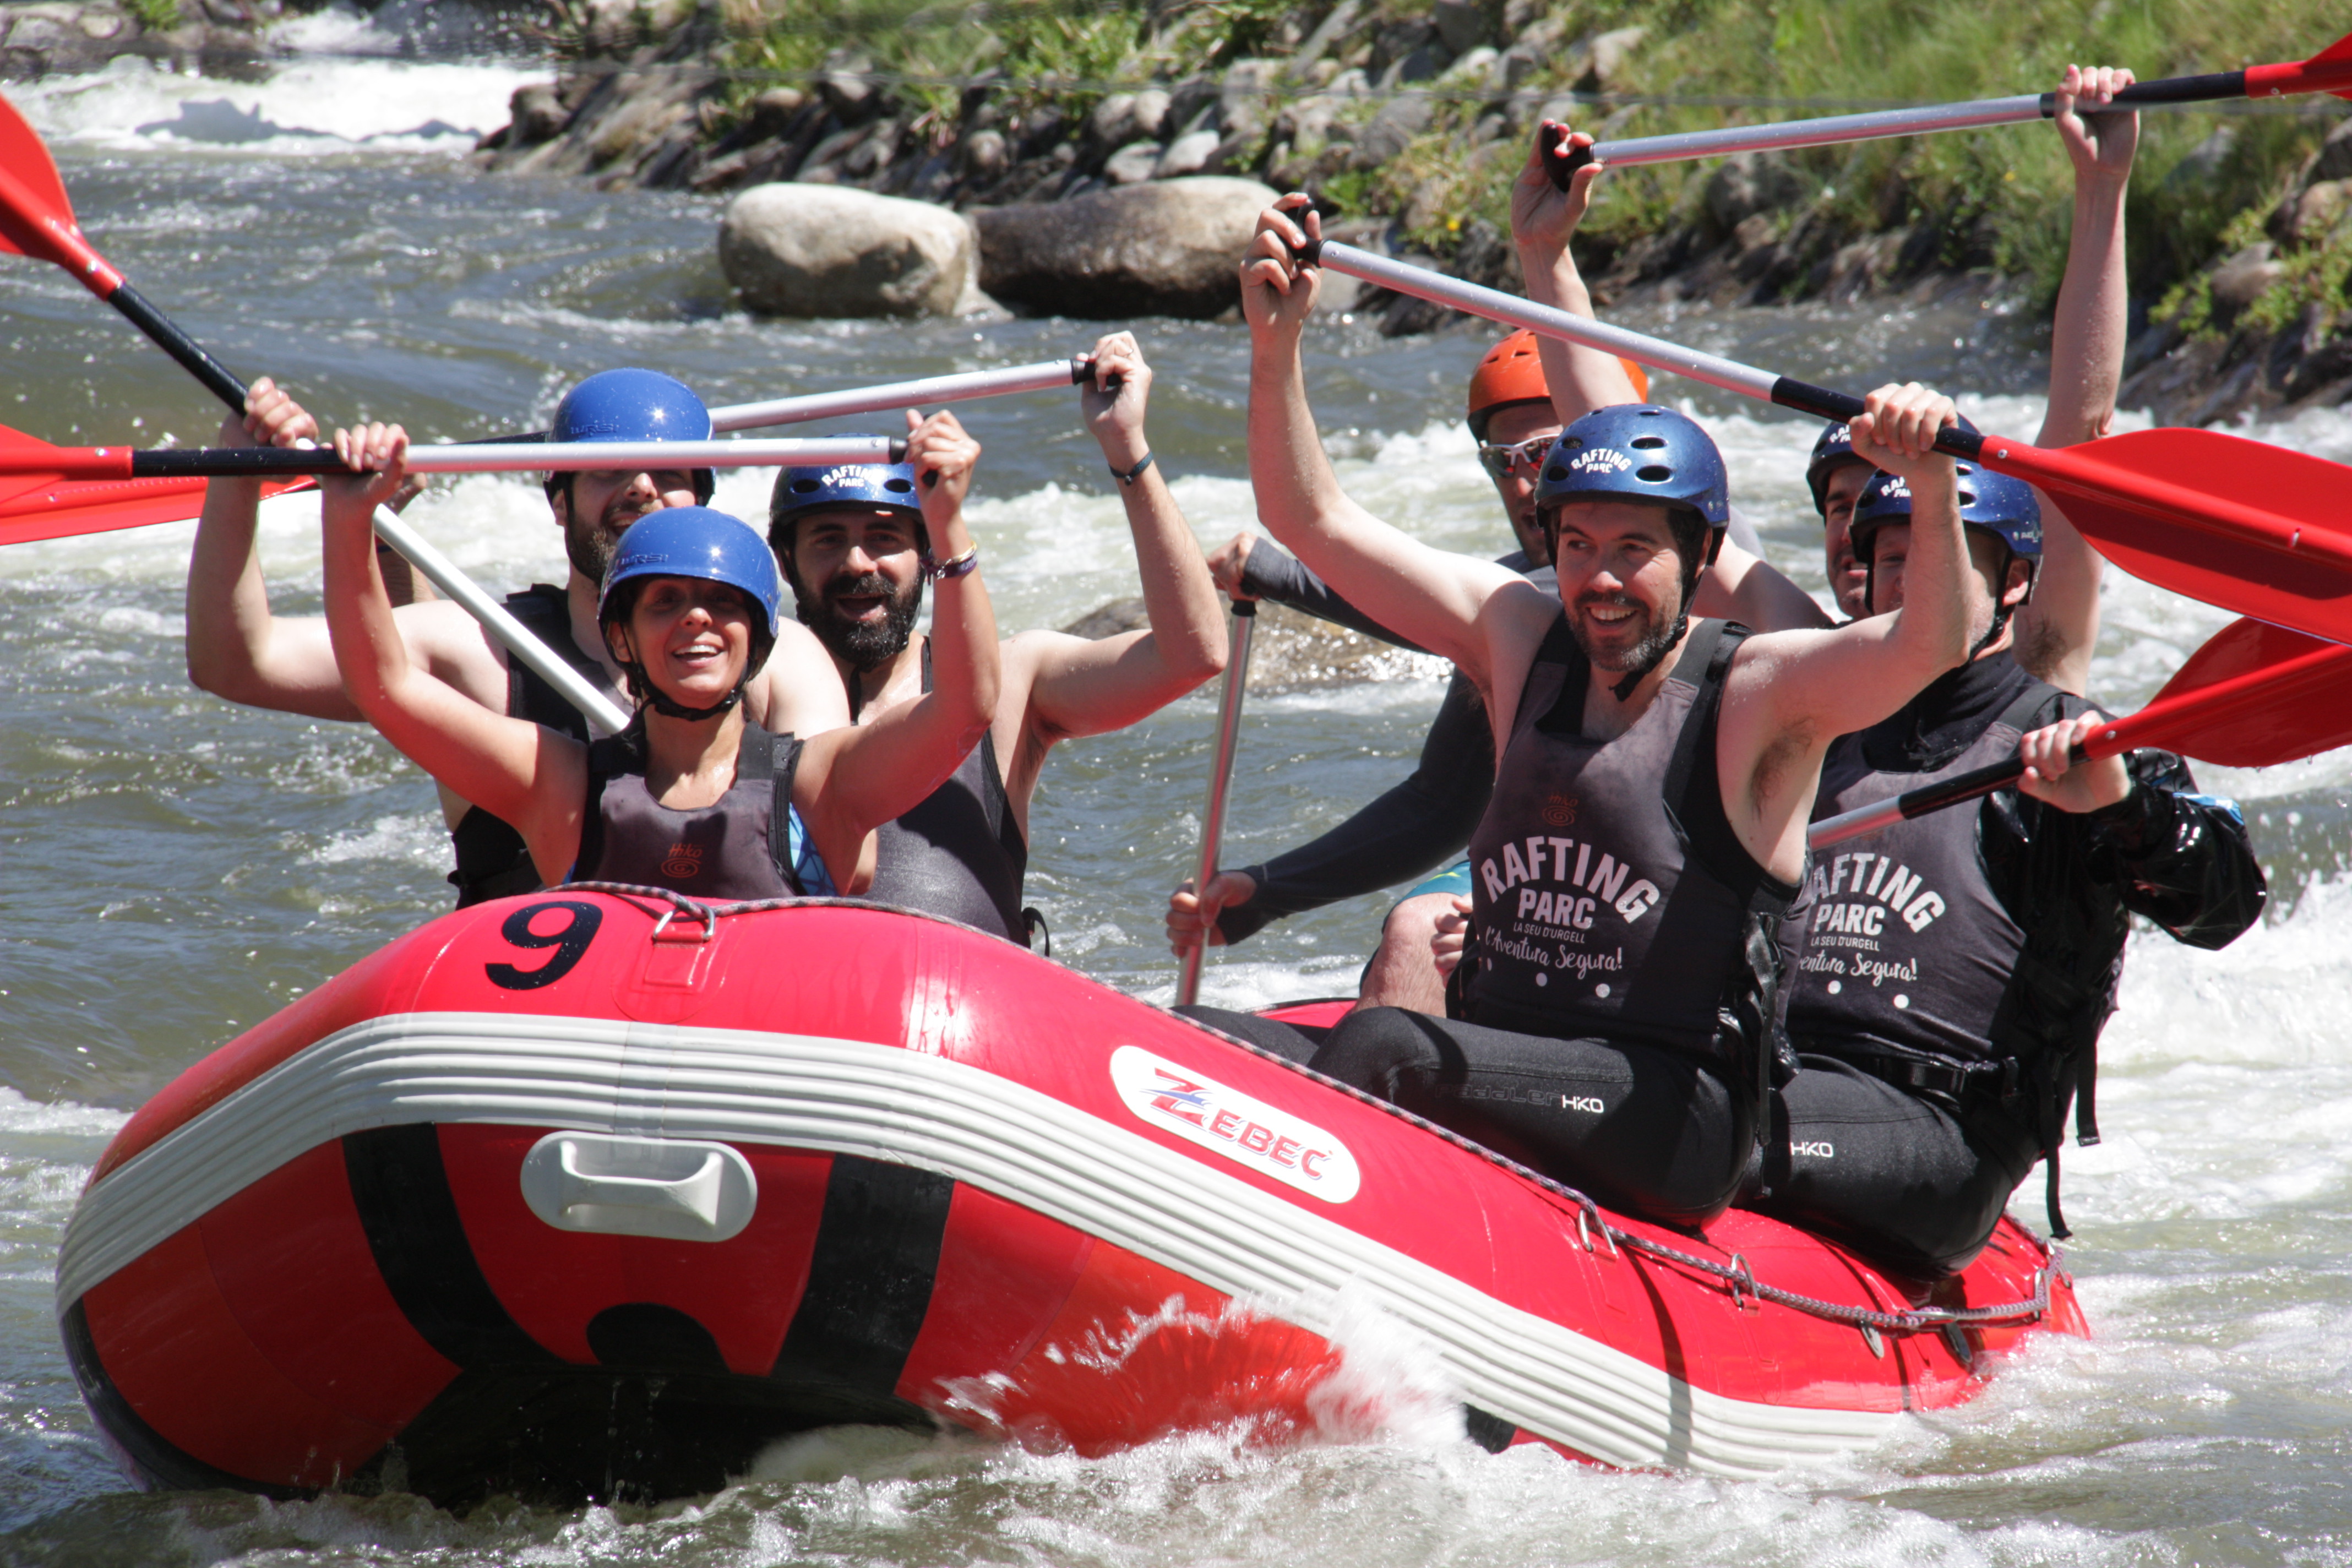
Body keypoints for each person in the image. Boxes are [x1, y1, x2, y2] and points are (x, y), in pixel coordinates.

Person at [1179, 190, 1979, 1229]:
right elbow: (1309, 518)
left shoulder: (1761, 687)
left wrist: (1929, 479)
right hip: (1511, 1052)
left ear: (1698, 560)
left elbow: (1934, 643)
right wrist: (1275, 343)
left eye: (1632, 550)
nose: (1598, 581)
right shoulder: (1516, 635)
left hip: (1668, 1106)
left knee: (1380, 1047)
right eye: (1575, 547)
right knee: (1195, 1032)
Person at [1167, 325, 1825, 1010]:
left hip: (1682, 889)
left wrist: (1289, 575)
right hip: (1541, 863)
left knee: (1428, 926)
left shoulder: (1714, 562)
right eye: (1500, 458)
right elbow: (1440, 803)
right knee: (1413, 933)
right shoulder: (1509, 602)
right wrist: (1270, 889)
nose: (1523, 479)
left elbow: (1520, 609)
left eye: (1545, 451)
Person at [1745, 461, 2267, 1278]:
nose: (1917, 584)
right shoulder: (1816, 723)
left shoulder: (2078, 744)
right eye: (1893, 561)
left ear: (2017, 581)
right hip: (1788, 1080)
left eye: (1942, 556)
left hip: (1944, 1130)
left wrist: (2121, 807)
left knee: (1692, 1130)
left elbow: (2224, 908)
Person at [184, 369, 851, 905]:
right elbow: (237, 662)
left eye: (672, 476)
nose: (643, 488)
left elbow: (836, 845)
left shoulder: (780, 656)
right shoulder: (477, 645)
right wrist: (239, 474)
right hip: (529, 1009)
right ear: (559, 503)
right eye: (609, 472)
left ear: (702, 505)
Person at [315, 415, 998, 902]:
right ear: (622, 639)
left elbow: (965, 708)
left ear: (760, 643)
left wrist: (948, 526)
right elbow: (384, 684)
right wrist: (350, 520)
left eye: (722, 604)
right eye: (665, 602)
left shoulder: (822, 785)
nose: (697, 617)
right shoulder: (559, 784)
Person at [766, 331, 1227, 948]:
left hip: (961, 1019)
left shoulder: (1014, 683)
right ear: (785, 561)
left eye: (884, 538)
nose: (858, 561)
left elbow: (1192, 655)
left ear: (929, 555)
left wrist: (1126, 447)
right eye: (827, 539)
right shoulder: (739, 685)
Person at [1804, 63, 2139, 702]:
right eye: (1845, 508)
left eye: (1904, 507)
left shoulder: (2033, 641)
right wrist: (1548, 258)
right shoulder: (1796, 670)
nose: (1860, 537)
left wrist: (2101, 188)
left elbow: (2082, 427)